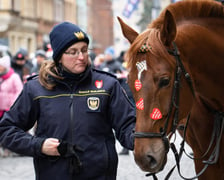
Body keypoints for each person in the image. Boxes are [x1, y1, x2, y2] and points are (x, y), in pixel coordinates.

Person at [0, 21, 136, 180]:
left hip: (99, 175)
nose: (81, 57)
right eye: (73, 52)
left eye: (84, 50)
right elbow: (6, 129)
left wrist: (143, 139)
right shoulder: (36, 88)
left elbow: (127, 126)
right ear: (59, 57)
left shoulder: (107, 85)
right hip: (53, 174)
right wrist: (39, 145)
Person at [0, 55, 23, 156]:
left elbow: (19, 91)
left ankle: (11, 148)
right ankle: (4, 147)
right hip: (1, 108)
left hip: (10, 108)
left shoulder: (14, 77)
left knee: (9, 129)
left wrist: (12, 104)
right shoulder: (0, 78)